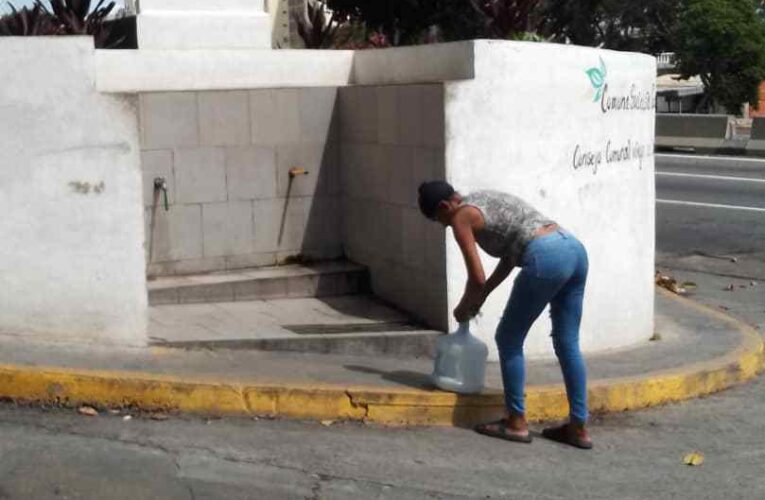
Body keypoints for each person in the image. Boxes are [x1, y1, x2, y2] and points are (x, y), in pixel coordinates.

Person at [417, 181, 592, 450]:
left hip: (545, 254)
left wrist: (464, 306)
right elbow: (510, 257)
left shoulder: (461, 216)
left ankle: (516, 422)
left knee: (509, 338)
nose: (445, 226)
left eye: (440, 220)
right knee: (567, 342)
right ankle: (578, 428)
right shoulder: (482, 198)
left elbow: (476, 277)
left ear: (444, 206)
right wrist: (483, 295)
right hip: (573, 249)